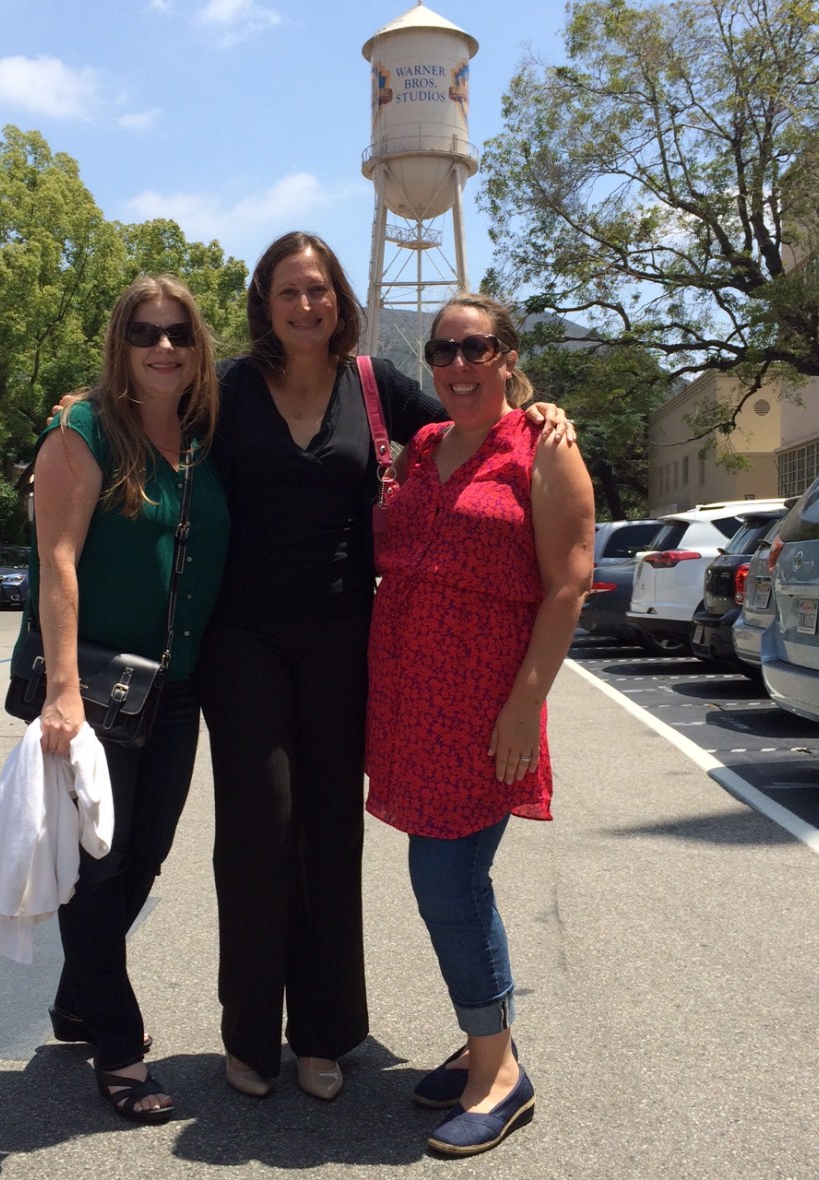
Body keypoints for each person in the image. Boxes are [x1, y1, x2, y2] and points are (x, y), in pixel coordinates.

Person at [198, 232, 575, 1102]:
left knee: (331, 830)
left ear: (341, 301)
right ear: (266, 301)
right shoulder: (226, 392)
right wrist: (84, 406)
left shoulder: (373, 385)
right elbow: (147, 418)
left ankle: (327, 1034)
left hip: (344, 637)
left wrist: (545, 412)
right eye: (289, 292)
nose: (305, 306)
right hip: (242, 640)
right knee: (258, 831)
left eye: (319, 290)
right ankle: (251, 1034)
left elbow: (478, 422)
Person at [364, 293, 595, 1156]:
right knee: (445, 881)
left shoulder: (544, 448)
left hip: (485, 709)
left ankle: (502, 1074)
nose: (458, 365)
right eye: (443, 351)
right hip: (410, 704)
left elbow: (568, 585)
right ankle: (480, 1043)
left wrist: (525, 705)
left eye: (477, 348)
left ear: (506, 354)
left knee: (450, 883)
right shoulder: (424, 446)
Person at [26, 275, 230, 1123]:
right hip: (98, 694)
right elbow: (59, 562)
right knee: (99, 873)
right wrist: (63, 692)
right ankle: (118, 1046)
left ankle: (78, 1000)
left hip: (176, 691)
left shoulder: (204, 434)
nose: (164, 347)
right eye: (146, 332)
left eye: (178, 332)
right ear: (122, 340)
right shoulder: (82, 432)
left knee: (141, 857)